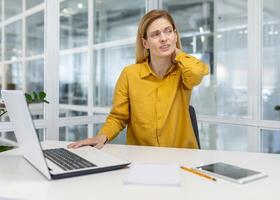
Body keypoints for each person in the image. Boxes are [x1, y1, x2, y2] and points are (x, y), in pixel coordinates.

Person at [68, 9, 208, 150]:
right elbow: (118, 117)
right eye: (155, 34)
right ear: (145, 43)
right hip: (142, 157)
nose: (164, 38)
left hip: (181, 157)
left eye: (168, 31)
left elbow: (196, 72)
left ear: (175, 35)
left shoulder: (184, 71)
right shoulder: (130, 74)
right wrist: (102, 136)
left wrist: (177, 50)